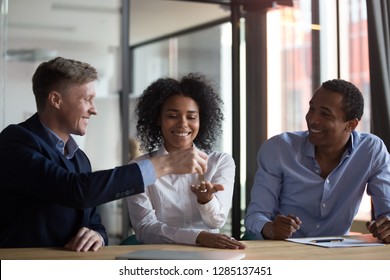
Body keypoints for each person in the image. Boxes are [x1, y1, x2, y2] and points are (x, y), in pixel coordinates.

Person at [0, 57, 207, 251]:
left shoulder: (79, 158)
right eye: (87, 99)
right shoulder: (15, 141)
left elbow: (93, 222)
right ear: (55, 99)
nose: (94, 110)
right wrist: (165, 165)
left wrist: (97, 234)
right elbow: (72, 190)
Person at [244, 79, 390, 243]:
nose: (312, 119)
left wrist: (387, 226)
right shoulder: (278, 149)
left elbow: (387, 209)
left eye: (325, 114)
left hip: (333, 251)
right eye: (311, 109)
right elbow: (255, 216)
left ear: (351, 125)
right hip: (277, 248)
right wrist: (270, 228)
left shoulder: (371, 150)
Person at [126, 73, 245, 249]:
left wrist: (206, 201)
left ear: (201, 120)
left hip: (209, 256)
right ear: (158, 119)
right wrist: (198, 237)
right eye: (172, 116)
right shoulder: (138, 168)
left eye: (191, 117)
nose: (183, 124)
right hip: (160, 258)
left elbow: (217, 221)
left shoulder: (220, 162)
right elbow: (145, 228)